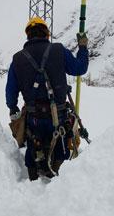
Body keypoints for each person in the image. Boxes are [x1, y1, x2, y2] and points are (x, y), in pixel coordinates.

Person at [5, 17, 88, 180]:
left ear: (28, 35)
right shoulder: (58, 50)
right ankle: (58, 175)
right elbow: (80, 68)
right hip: (58, 114)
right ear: (47, 34)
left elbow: (10, 90)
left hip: (33, 117)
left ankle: (33, 174)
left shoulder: (18, 59)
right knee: (60, 144)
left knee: (33, 142)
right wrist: (83, 47)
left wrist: (12, 108)